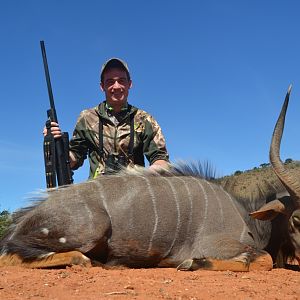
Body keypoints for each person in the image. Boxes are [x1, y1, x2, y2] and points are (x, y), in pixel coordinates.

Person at [44, 57, 170, 178]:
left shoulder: (144, 119)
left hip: (135, 192)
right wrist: (55, 144)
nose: (116, 86)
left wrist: (152, 172)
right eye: (110, 82)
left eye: (121, 80)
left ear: (129, 84)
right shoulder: (87, 118)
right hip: (97, 193)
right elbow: (73, 160)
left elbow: (160, 159)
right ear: (102, 86)